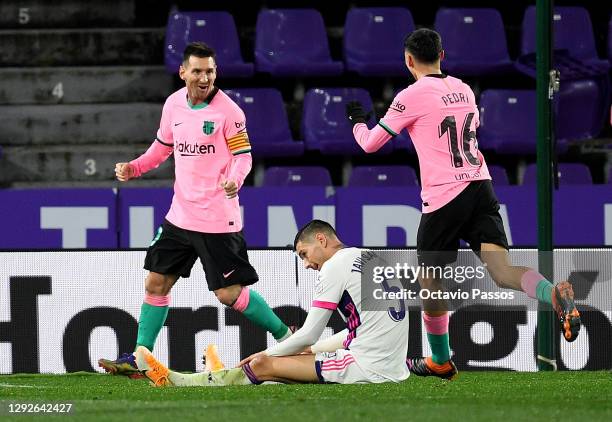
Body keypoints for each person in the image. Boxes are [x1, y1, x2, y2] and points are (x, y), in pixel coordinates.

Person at [345, 28, 581, 379]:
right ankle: (552, 294)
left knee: (429, 280)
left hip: (444, 195)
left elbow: (370, 145)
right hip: (480, 185)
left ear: (408, 60)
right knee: (502, 272)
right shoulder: (464, 89)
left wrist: (358, 123)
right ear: (443, 55)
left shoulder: (410, 95)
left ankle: (440, 358)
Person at [98, 42, 292, 377]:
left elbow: (243, 156)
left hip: (217, 218)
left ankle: (287, 338)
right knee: (156, 283)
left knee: (228, 293)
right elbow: (162, 148)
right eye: (198, 71)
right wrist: (135, 168)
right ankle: (139, 356)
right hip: (180, 216)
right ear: (183, 72)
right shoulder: (174, 104)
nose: (205, 78)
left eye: (211, 71)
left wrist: (234, 180)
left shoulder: (229, 112)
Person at [133, 220, 411, 387]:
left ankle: (182, 381)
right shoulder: (373, 257)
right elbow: (359, 331)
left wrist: (267, 354)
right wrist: (309, 350)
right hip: (391, 365)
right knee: (297, 355)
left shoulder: (334, 266)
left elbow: (309, 333)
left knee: (264, 364)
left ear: (322, 240)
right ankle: (221, 372)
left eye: (304, 254)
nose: (307, 264)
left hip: (366, 367)